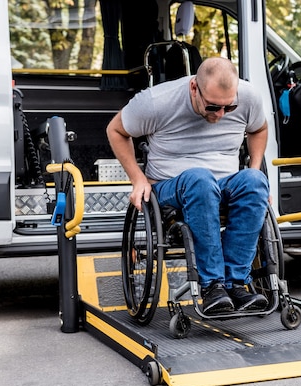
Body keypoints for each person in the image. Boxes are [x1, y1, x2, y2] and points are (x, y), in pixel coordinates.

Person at [107, 57, 270, 315]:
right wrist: (137, 178)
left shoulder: (248, 96)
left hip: (223, 183)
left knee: (256, 181)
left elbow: (259, 129)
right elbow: (115, 130)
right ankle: (212, 285)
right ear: (194, 88)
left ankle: (236, 283)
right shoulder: (156, 102)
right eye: (213, 107)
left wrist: (255, 165)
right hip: (171, 187)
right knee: (200, 179)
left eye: (229, 108)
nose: (220, 115)